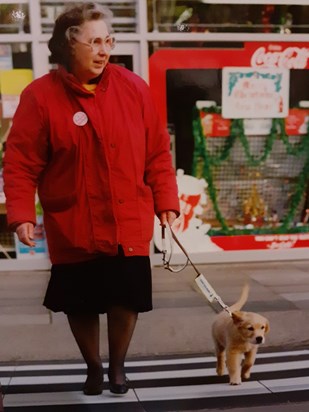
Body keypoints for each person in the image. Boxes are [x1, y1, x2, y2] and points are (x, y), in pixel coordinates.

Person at [3, 2, 179, 396]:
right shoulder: (40, 97)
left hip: (127, 215)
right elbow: (20, 162)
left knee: (125, 296)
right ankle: (93, 366)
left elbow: (156, 153)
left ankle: (117, 367)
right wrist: (20, 214)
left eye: (108, 41)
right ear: (69, 46)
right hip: (74, 218)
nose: (104, 50)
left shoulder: (133, 88)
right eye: (94, 41)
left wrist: (166, 201)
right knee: (80, 301)